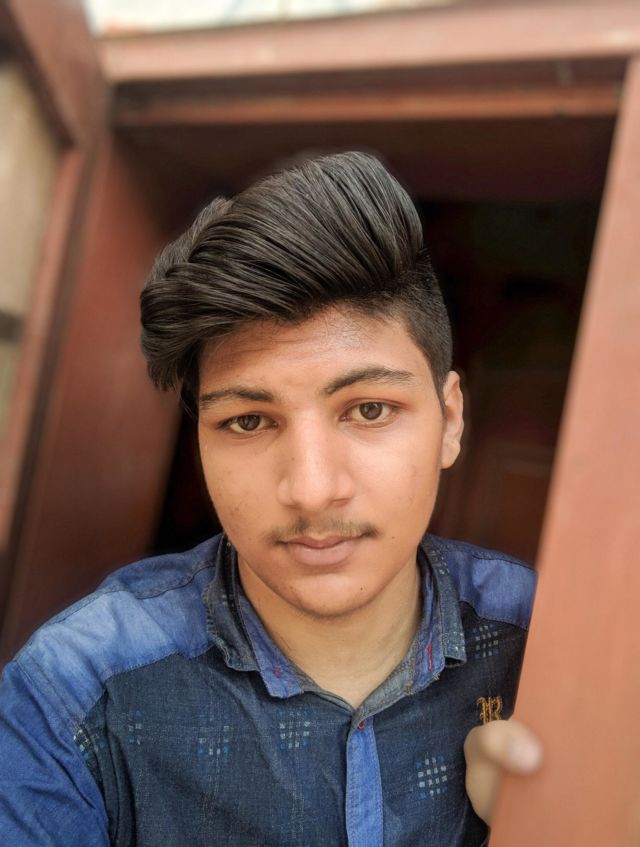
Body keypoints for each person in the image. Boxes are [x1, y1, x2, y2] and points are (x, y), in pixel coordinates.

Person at [0, 151, 542, 846]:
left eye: (369, 409)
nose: (311, 489)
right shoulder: (77, 691)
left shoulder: (542, 639)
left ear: (451, 419)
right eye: (249, 421)